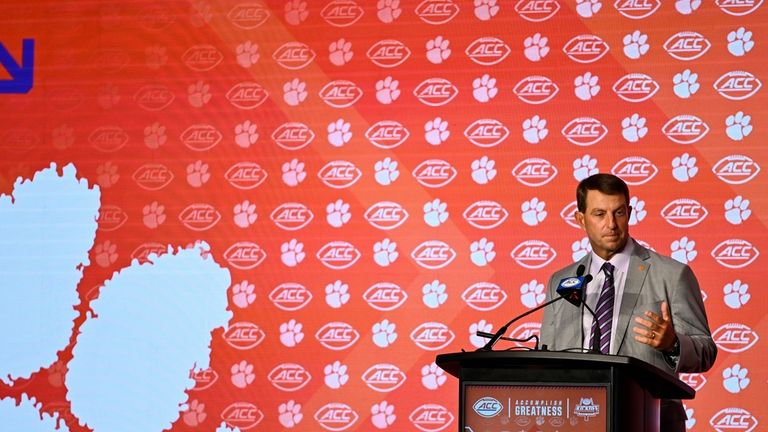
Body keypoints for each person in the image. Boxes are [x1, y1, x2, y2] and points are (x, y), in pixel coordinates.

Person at [540, 173, 717, 432]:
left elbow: (706, 351)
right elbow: (547, 356)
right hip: (574, 419)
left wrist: (673, 344)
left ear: (630, 212)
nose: (611, 224)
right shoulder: (563, 280)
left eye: (619, 212)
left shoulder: (672, 274)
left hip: (648, 419)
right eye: (599, 214)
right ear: (581, 219)